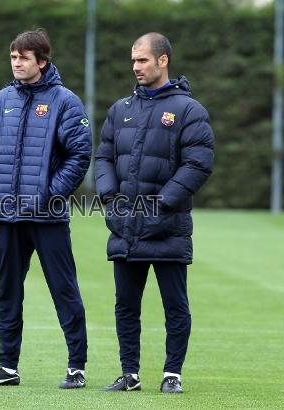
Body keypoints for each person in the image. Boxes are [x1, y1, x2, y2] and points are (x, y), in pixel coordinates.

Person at [0, 29, 92, 389]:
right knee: (8, 291)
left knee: (63, 289)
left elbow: (79, 154)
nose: (17, 63)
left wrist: (51, 194)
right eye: (13, 57)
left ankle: (76, 367)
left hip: (47, 216)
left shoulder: (65, 101)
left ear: (42, 61)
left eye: (24, 57)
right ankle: (7, 367)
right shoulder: (1, 100)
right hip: (6, 215)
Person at [95, 32, 214, 393]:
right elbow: (103, 156)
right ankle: (129, 374)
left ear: (163, 61)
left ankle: (171, 374)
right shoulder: (120, 110)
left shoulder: (189, 110)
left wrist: (161, 203)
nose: (136, 67)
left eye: (143, 60)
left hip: (168, 228)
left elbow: (198, 162)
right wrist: (109, 196)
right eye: (133, 60)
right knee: (125, 306)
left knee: (175, 306)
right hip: (125, 226)